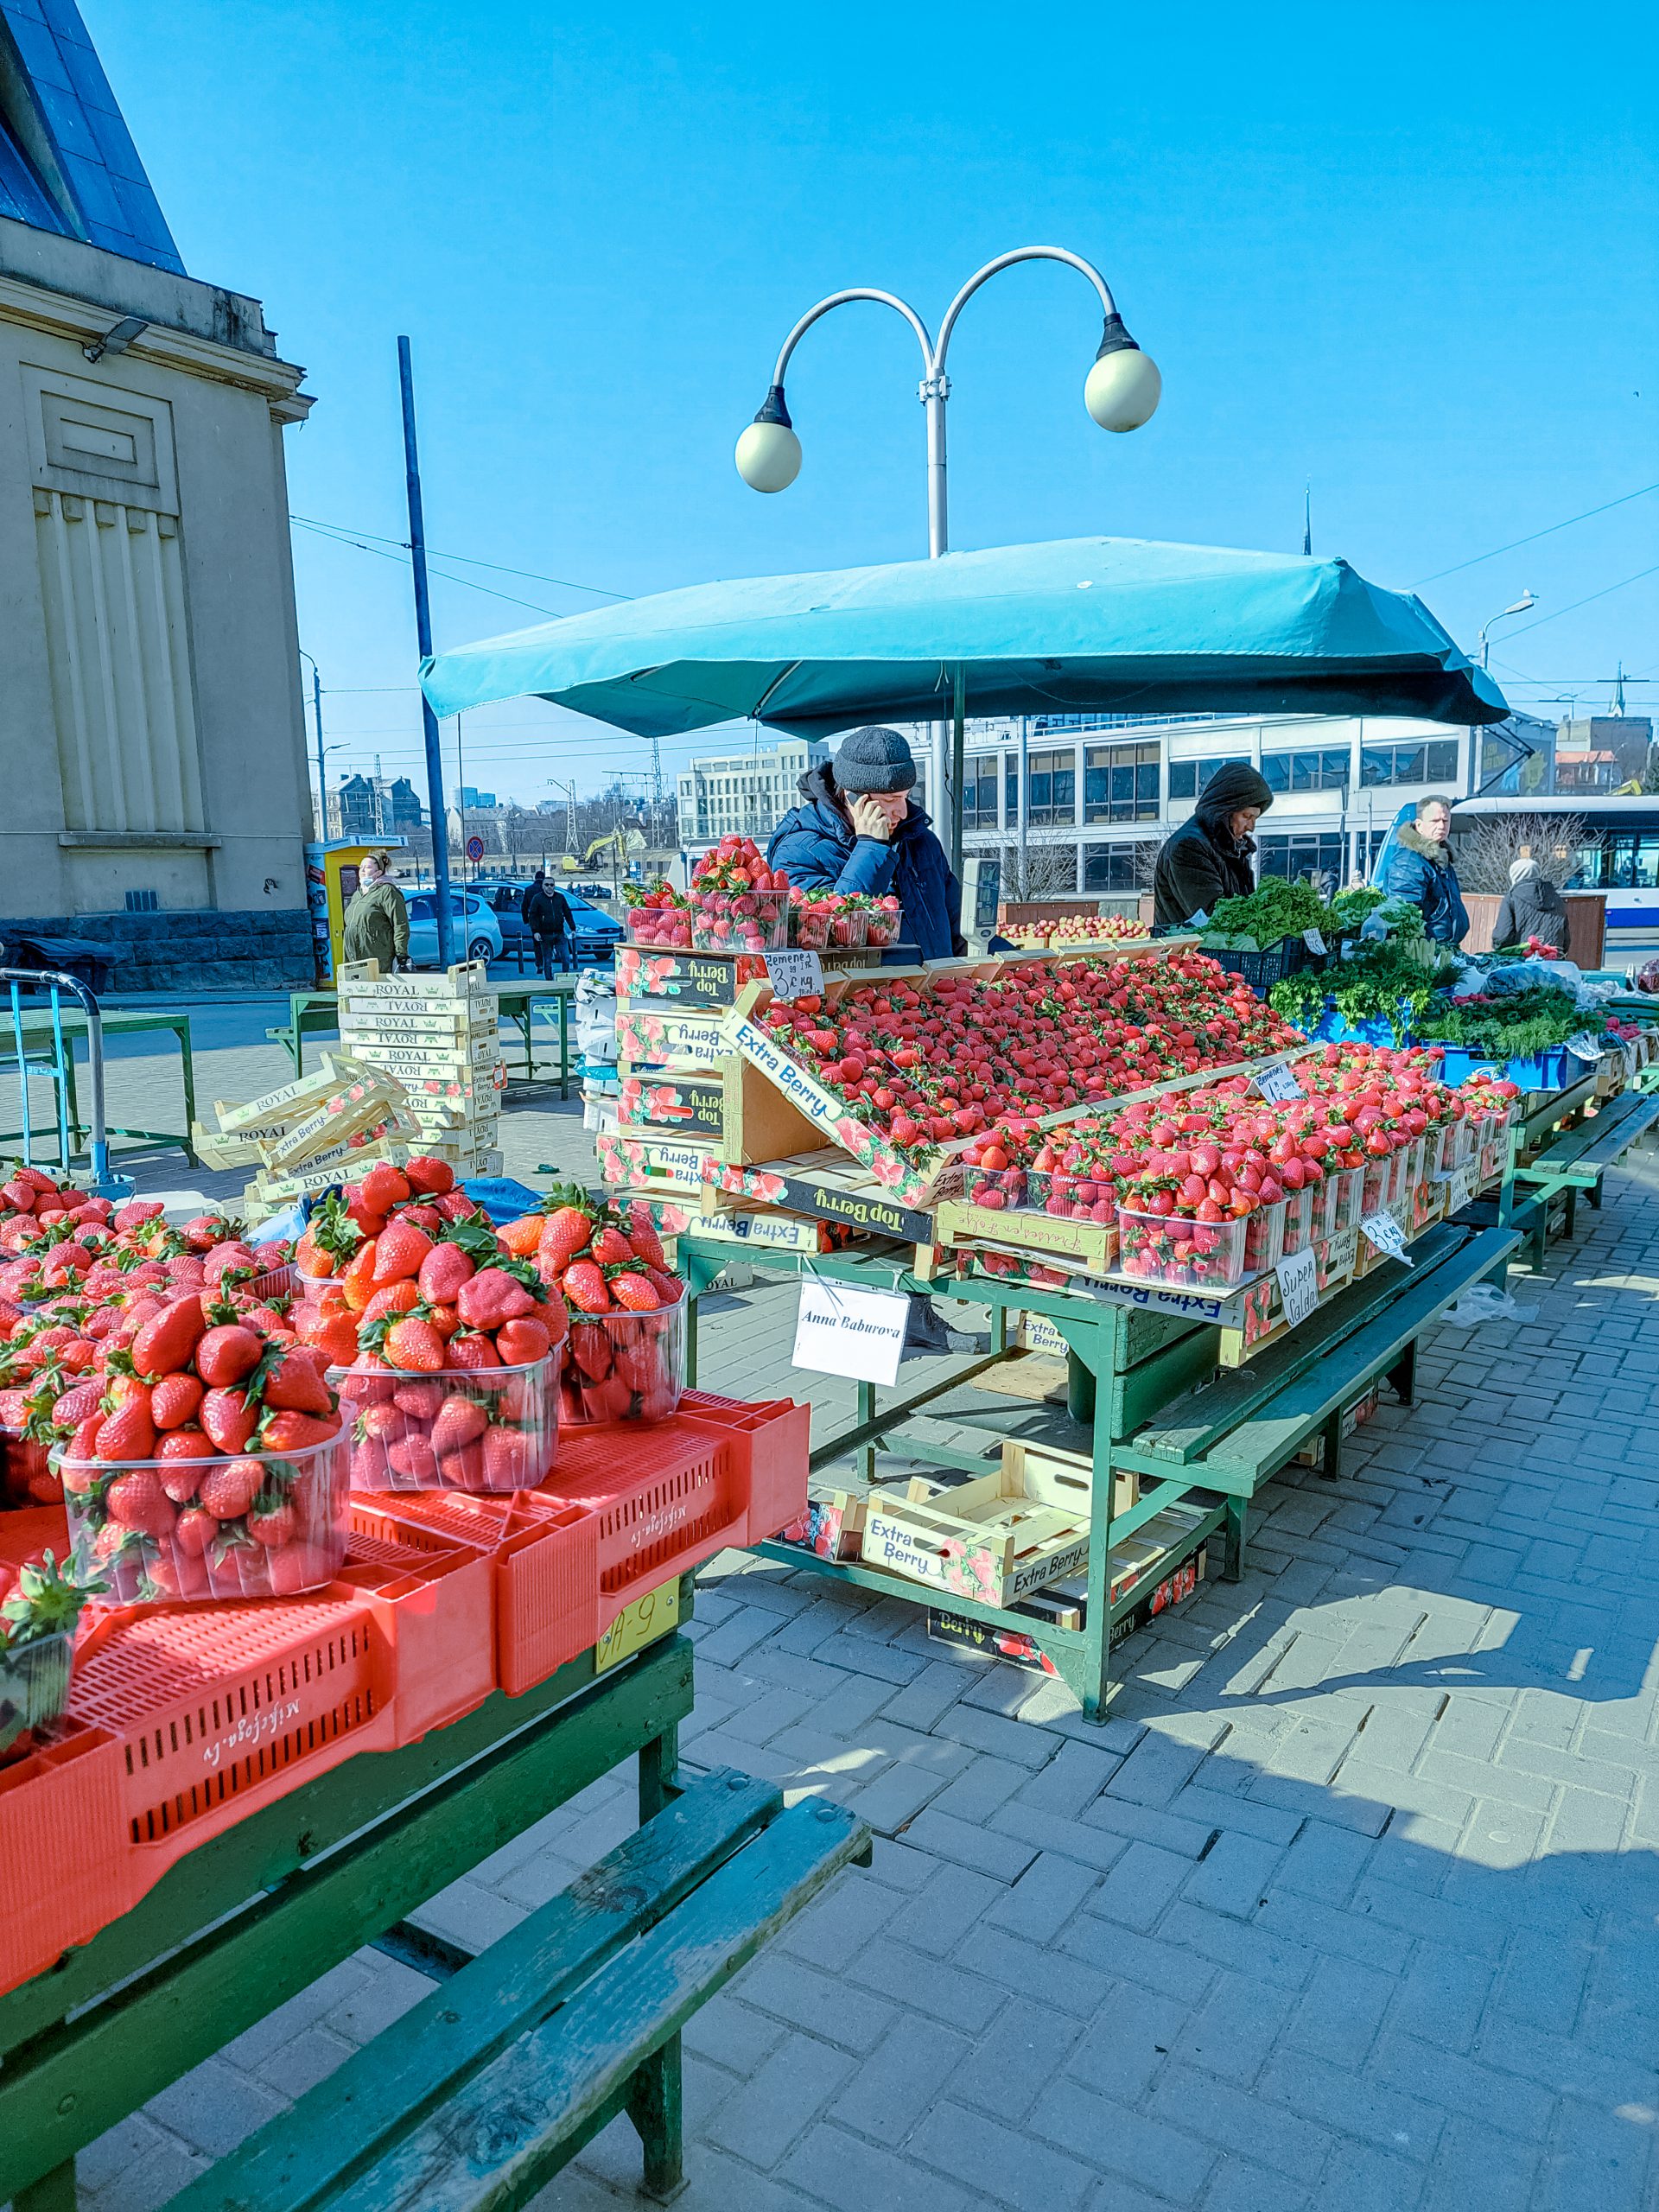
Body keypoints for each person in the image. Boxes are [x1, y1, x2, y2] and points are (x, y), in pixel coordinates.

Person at [768, 726, 965, 963]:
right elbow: (830, 932)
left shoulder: (921, 841)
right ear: (852, 798)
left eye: (905, 797)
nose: (902, 812)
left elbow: (960, 929)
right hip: (863, 996)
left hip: (935, 993)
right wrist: (872, 848)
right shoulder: (797, 851)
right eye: (890, 800)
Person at [1151, 763, 1275, 926]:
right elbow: (1214, 917)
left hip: (1216, 949)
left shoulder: (1231, 848)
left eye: (1255, 818)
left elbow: (1243, 908)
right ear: (1226, 810)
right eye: (1246, 816)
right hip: (1188, 951)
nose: (1251, 827)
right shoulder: (1188, 846)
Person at [1381, 795, 1469, 946]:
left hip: (1443, 949)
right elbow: (1404, 919)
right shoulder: (1409, 862)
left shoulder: (1441, 857)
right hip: (1423, 954)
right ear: (1419, 826)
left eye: (1445, 820)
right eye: (1435, 821)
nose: (1442, 826)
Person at [340, 853, 409, 973]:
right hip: (354, 956)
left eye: (368, 867)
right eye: (361, 867)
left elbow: (400, 924)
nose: (362, 870)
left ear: (379, 872)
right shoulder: (358, 894)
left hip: (377, 956)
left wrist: (401, 953)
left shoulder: (387, 891)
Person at [1493, 855, 1567, 952]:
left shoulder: (1512, 898)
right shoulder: (1556, 898)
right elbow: (1565, 938)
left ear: (1515, 876)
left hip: (1522, 960)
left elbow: (1502, 937)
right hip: (1552, 958)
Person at [522, 868, 575, 976]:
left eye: (551, 885)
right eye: (547, 885)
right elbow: (532, 914)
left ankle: (565, 978)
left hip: (559, 931)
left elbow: (567, 912)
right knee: (548, 960)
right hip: (544, 933)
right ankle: (549, 981)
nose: (549, 887)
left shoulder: (560, 897)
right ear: (543, 886)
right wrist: (535, 931)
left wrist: (572, 928)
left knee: (566, 957)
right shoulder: (537, 898)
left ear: (554, 885)